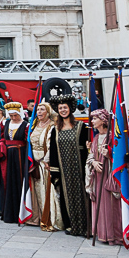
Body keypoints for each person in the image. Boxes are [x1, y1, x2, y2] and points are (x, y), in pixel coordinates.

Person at [48, 95, 90, 237]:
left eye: (65, 107)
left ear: (70, 109)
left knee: (83, 194)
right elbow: (53, 151)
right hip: (64, 169)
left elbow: (87, 147)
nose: (63, 110)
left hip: (79, 168)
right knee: (66, 196)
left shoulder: (81, 126)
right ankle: (71, 225)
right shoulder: (55, 130)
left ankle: (86, 225)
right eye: (60, 108)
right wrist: (55, 172)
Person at [87, 109, 124, 246]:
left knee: (110, 205)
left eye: (95, 119)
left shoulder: (112, 137)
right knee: (99, 204)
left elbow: (120, 158)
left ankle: (114, 234)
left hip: (108, 175)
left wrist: (109, 156)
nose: (92, 121)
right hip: (97, 176)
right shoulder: (96, 138)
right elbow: (91, 155)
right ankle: (102, 233)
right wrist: (94, 162)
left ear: (103, 120)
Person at [27, 101, 62, 231]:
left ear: (48, 112)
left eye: (42, 110)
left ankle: (50, 218)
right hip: (34, 162)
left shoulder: (52, 126)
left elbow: (52, 145)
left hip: (44, 162)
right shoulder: (34, 125)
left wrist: (46, 160)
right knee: (36, 190)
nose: (39, 112)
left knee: (46, 190)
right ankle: (37, 216)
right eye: (38, 110)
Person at [0, 102, 29, 223]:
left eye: (15, 115)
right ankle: (8, 213)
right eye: (11, 115)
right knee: (6, 181)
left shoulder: (25, 125)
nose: (13, 118)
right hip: (7, 157)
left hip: (19, 156)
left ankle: (19, 212)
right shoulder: (5, 123)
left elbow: (27, 142)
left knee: (18, 182)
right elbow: (3, 138)